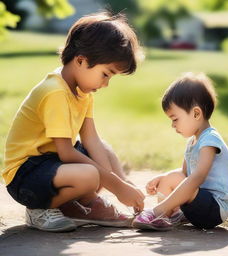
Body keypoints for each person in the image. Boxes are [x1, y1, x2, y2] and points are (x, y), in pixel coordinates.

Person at [2, 12, 145, 232]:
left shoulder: (83, 93)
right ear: (81, 60)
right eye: (106, 74)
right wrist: (116, 186)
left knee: (104, 150)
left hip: (52, 162)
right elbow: (66, 152)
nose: (106, 84)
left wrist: (125, 186)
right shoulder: (55, 92)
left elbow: (92, 140)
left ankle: (76, 205)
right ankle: (39, 210)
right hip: (26, 174)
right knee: (90, 175)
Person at [132, 72, 228, 230]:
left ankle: (158, 212)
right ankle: (168, 216)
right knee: (170, 178)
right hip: (202, 203)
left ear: (196, 113)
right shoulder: (192, 142)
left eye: (175, 119)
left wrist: (164, 198)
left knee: (175, 179)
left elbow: (198, 176)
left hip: (216, 207)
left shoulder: (210, 139)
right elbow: (184, 174)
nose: (173, 125)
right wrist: (163, 178)